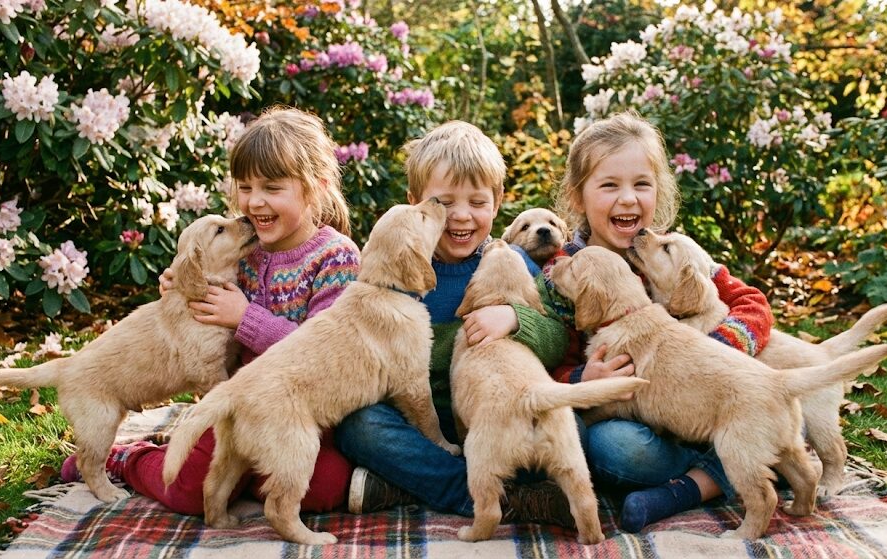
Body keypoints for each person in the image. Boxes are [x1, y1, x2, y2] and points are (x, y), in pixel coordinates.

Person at [61, 107, 361, 515]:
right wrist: (178, 286)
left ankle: (246, 475)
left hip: (299, 409)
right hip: (232, 407)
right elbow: (188, 301)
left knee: (323, 489)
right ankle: (126, 459)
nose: (254, 202)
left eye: (272, 188)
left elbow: (326, 357)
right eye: (244, 186)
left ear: (316, 187)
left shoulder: (335, 258)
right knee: (189, 492)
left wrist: (245, 318)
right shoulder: (236, 249)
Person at [538, 111, 774, 532]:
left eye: (641, 184)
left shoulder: (669, 251)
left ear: (658, 191)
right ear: (577, 197)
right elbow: (550, 361)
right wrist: (583, 377)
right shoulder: (564, 274)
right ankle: (723, 471)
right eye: (609, 185)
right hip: (638, 424)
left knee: (777, 396)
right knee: (613, 448)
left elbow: (751, 302)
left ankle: (696, 484)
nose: (628, 199)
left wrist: (714, 351)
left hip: (714, 404)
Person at [335, 121, 578, 526]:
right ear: (417, 202)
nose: (461, 216)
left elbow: (556, 338)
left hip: (495, 415)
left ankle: (406, 485)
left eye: (477, 202)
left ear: (498, 201)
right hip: (421, 424)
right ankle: (468, 493)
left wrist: (515, 318)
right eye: (444, 202)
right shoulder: (398, 265)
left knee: (572, 430)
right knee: (358, 426)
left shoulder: (509, 261)